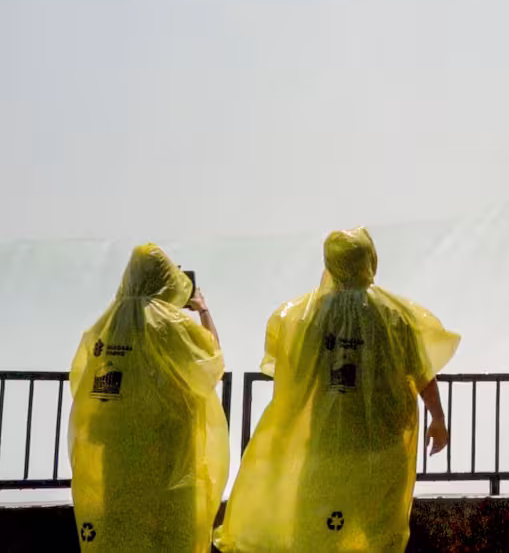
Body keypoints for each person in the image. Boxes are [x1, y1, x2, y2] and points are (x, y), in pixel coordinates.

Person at [215, 227, 460, 552]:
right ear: (370, 259)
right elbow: (421, 374)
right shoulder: (393, 315)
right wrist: (438, 419)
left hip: (327, 444)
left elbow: (296, 379)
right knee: (378, 532)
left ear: (330, 262)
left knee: (316, 529)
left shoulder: (311, 316)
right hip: (382, 446)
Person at [68, 244, 229, 552]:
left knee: (122, 525)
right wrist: (202, 310)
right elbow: (210, 364)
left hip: (117, 449)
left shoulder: (107, 324)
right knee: (171, 530)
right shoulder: (172, 324)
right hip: (168, 447)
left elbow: (84, 381)